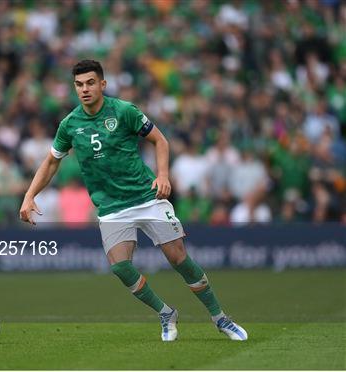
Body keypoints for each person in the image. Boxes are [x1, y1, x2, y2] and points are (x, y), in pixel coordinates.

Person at [19, 60, 247, 341]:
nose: (85, 89)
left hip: (146, 196)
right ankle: (165, 313)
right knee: (120, 267)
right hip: (112, 207)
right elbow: (51, 162)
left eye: (90, 83)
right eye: (79, 84)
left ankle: (220, 318)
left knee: (178, 258)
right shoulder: (70, 125)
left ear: (102, 84)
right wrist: (29, 195)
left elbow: (160, 140)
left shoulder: (124, 111)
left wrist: (163, 176)